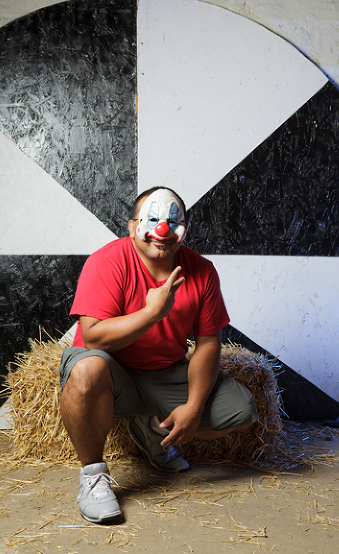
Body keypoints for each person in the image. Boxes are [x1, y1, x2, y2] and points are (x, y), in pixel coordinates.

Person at [59, 187, 257, 523]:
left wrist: (194, 407)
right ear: (132, 226)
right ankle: (93, 476)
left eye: (172, 221)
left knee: (242, 411)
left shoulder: (202, 270)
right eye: (152, 219)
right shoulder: (106, 261)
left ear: (184, 229)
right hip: (113, 371)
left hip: (166, 372)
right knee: (86, 370)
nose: (162, 229)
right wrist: (152, 312)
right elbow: (93, 337)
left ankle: (152, 427)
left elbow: (209, 343)